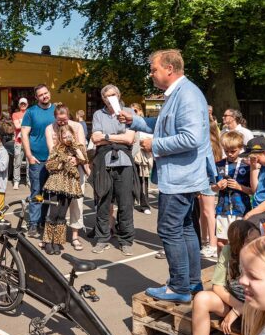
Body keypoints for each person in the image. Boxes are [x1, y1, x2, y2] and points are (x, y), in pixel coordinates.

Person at [119, 49, 212, 302]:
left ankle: (180, 287)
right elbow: (163, 125)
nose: (151, 74)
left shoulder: (187, 95)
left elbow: (191, 138)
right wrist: (135, 120)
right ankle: (192, 283)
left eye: (154, 69)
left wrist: (155, 145)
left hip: (180, 177)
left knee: (170, 229)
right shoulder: (178, 94)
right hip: (182, 176)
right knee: (185, 229)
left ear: (169, 69)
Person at [167, 220, 259, 335]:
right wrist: (238, 307)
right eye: (250, 241)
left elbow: (263, 295)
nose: (257, 243)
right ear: (237, 243)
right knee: (201, 298)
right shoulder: (228, 251)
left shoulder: (263, 254)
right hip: (235, 302)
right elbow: (217, 286)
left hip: (257, 308)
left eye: (258, 238)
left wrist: (238, 311)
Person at [91, 85, 136, 255]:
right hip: (103, 162)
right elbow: (95, 139)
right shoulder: (98, 115)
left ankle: (125, 240)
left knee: (125, 202)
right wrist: (117, 138)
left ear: (119, 95)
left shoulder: (128, 112)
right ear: (103, 99)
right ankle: (102, 238)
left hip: (124, 162)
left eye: (114, 95)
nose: (111, 98)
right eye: (107, 96)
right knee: (103, 201)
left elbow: (129, 138)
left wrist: (106, 137)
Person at [45, 104, 89, 250]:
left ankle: (64, 239)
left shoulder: (76, 127)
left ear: (69, 116)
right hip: (58, 179)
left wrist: (76, 158)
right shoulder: (50, 129)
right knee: (54, 212)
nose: (62, 123)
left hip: (73, 177)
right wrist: (61, 162)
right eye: (59, 120)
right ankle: (48, 240)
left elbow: (83, 150)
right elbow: (51, 154)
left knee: (73, 207)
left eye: (64, 120)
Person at [21, 85, 56, 238]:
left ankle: (46, 221)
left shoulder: (57, 110)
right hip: (37, 159)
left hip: (54, 159)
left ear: (49, 93)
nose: (44, 96)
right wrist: (29, 155)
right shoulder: (31, 112)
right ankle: (33, 224)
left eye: (46, 93)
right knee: (37, 191)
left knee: (52, 193)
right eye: (40, 95)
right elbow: (24, 134)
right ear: (36, 98)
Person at [212, 132, 252, 248]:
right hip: (222, 209)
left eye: (233, 151)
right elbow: (211, 188)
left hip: (241, 210)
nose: (229, 154)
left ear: (240, 148)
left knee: (239, 242)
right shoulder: (218, 165)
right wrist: (217, 186)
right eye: (226, 151)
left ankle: (237, 265)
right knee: (220, 243)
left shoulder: (246, 166)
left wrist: (239, 187)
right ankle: (222, 266)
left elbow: (253, 191)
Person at [199, 119, 226, 259]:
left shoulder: (209, 143)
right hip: (205, 180)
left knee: (208, 212)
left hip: (207, 180)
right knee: (204, 213)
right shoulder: (214, 142)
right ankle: (205, 241)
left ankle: (213, 245)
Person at [11, 98, 28, 190]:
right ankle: (16, 181)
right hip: (19, 141)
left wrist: (22, 124)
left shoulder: (30, 113)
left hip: (29, 141)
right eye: (21, 104)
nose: (23, 105)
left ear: (27, 104)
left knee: (30, 163)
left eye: (24, 104)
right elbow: (17, 126)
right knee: (17, 162)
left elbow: (20, 125)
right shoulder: (15, 114)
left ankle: (29, 181)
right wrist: (28, 125)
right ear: (19, 105)